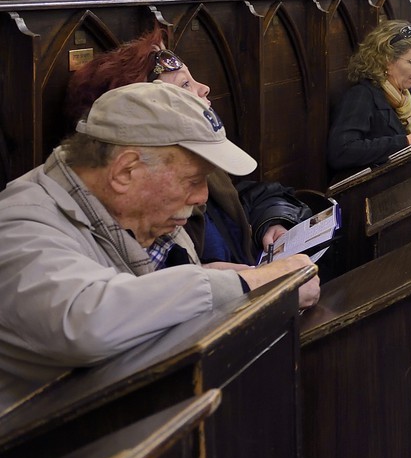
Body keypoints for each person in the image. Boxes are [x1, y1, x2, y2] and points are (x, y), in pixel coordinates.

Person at [0, 83, 316, 407]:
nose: (202, 197)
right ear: (126, 171)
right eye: (193, 180)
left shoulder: (121, 213)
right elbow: (84, 323)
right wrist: (243, 284)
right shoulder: (18, 224)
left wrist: (210, 278)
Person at [65, 30, 314, 266]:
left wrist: (271, 221)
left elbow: (247, 197)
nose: (204, 88)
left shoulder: (202, 167)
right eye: (185, 85)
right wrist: (226, 283)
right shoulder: (137, 212)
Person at [327, 20, 411, 175]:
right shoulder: (361, 96)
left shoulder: (399, 95)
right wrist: (409, 141)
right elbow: (341, 151)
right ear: (387, 60)